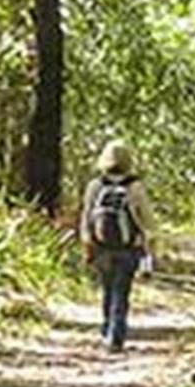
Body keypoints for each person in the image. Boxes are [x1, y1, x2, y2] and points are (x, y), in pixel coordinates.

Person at [79, 139, 154, 352]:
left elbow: (86, 217)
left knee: (107, 289)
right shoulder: (135, 187)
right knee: (121, 291)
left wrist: (87, 243)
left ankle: (107, 329)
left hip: (101, 246)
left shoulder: (95, 186)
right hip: (127, 247)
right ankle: (116, 336)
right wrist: (149, 247)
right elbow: (147, 220)